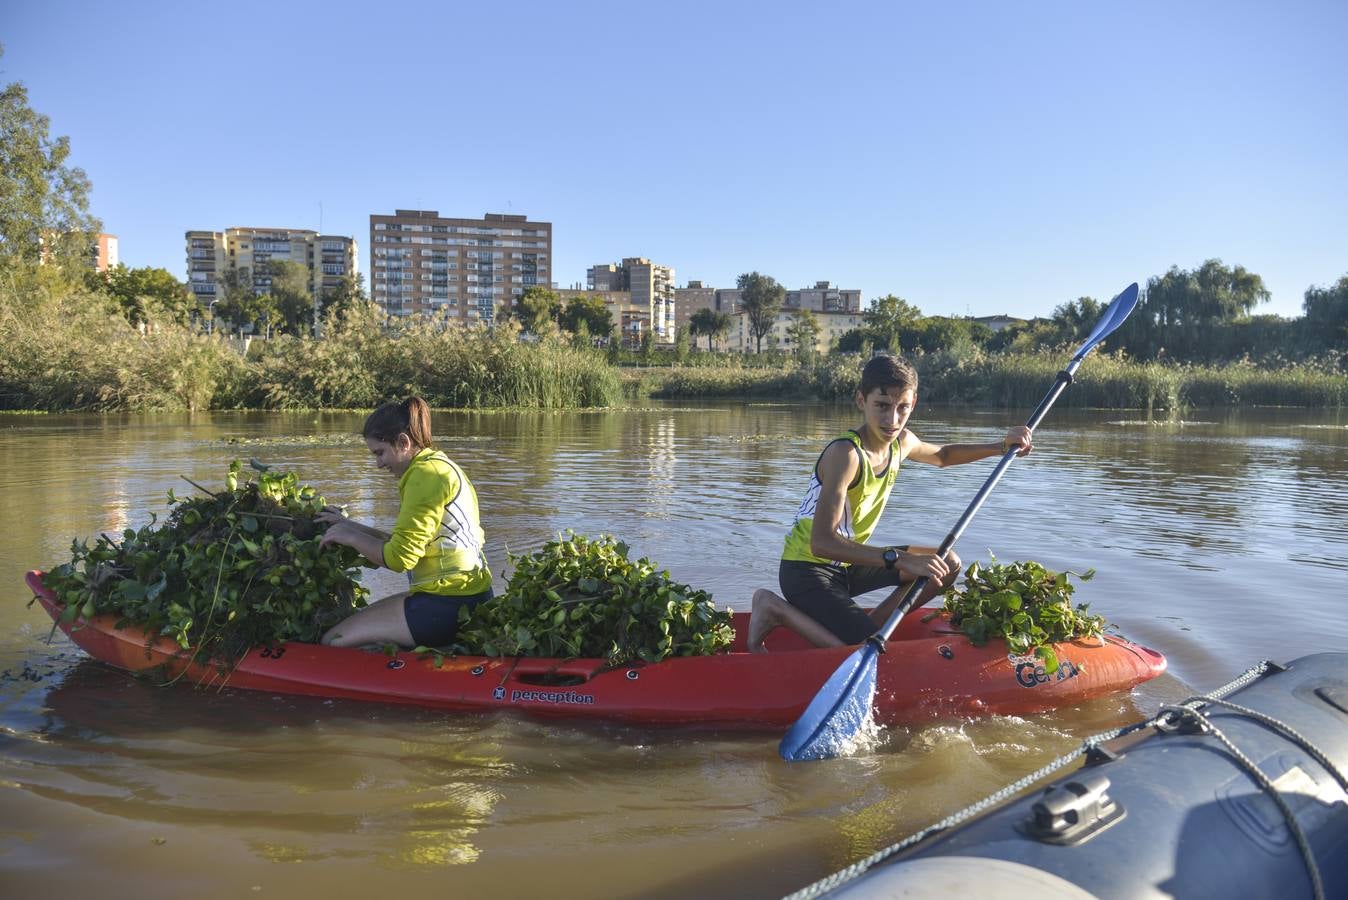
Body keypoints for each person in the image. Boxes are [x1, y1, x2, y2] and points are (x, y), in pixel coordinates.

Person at [746, 355, 1032, 652]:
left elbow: (944, 455)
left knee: (946, 565)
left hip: (846, 566)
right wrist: (900, 558)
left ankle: (872, 632)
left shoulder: (902, 442)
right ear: (861, 400)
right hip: (806, 570)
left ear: (914, 403)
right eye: (882, 406)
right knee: (866, 648)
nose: (892, 419)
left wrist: (1001, 446)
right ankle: (774, 609)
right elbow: (821, 543)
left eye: (902, 407)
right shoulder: (845, 455)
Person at [317, 397, 492, 648]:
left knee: (333, 640)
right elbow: (403, 543)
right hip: (467, 597)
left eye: (380, 453)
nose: (378, 464)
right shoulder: (437, 465)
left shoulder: (425, 476)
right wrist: (347, 526)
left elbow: (400, 558)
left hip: (447, 605)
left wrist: (352, 538)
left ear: (403, 442)